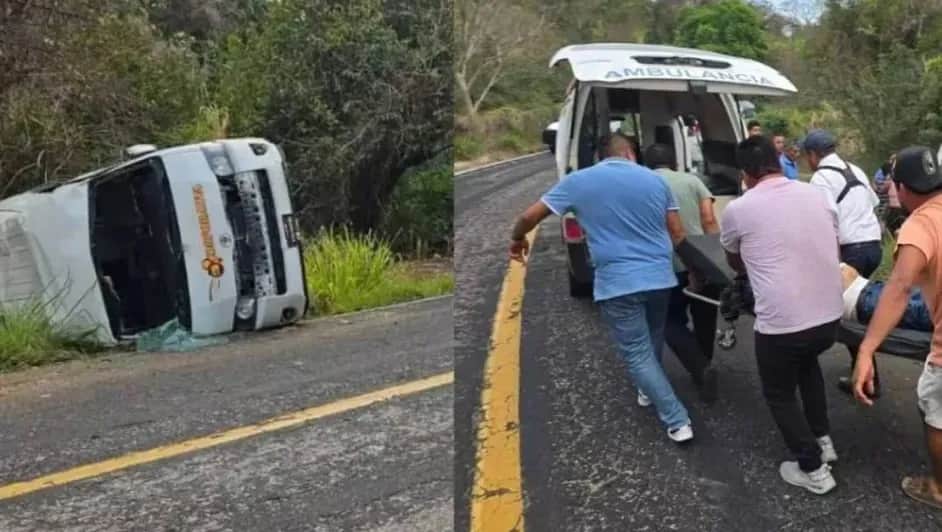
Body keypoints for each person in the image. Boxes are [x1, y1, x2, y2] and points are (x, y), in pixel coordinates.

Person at [508, 133, 695, 443]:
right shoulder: (655, 180)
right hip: (660, 278)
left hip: (618, 283)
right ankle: (649, 389)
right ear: (631, 154)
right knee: (653, 336)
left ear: (600, 157)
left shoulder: (578, 181)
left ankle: (677, 420)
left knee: (636, 352)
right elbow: (677, 232)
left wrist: (517, 238)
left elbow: (530, 216)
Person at [721, 135, 843, 495]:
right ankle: (823, 440)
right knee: (806, 366)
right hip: (829, 317)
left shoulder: (740, 208)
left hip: (783, 326)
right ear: (779, 160)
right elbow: (832, 244)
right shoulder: (816, 194)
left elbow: (733, 259)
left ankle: (813, 469)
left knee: (778, 392)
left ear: (745, 173)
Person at [851, 145, 942, 510]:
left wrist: (866, 349)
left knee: (936, 409)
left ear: (903, 188)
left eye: (893, 185)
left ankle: (938, 488)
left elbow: (900, 287)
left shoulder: (920, 223)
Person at [801, 129, 884, 395]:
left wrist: (831, 262)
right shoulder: (855, 169)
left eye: (807, 156)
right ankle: (865, 370)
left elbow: (826, 223)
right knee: (860, 308)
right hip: (873, 246)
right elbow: (871, 203)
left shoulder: (821, 178)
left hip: (852, 251)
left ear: (814, 154)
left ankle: (867, 378)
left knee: (849, 315)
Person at [644, 143, 721, 403]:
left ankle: (699, 366)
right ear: (674, 162)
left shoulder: (643, 185)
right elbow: (709, 218)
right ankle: (705, 363)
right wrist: (716, 259)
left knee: (669, 319)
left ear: (647, 164)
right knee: (705, 316)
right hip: (701, 260)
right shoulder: (693, 181)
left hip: (665, 266)